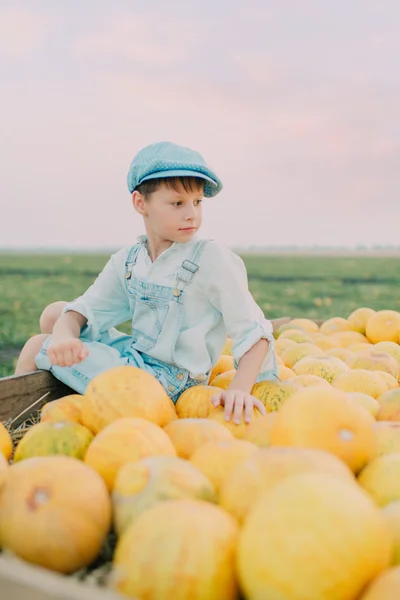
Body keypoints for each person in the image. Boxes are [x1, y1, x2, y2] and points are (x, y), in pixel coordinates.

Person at [15, 141, 278, 424]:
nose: (192, 213)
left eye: (197, 202)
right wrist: (65, 335)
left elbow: (254, 333)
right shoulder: (130, 260)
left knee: (37, 345)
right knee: (56, 315)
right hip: (137, 360)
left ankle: (12, 424)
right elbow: (85, 309)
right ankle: (64, 396)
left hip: (169, 386)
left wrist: (240, 389)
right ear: (141, 203)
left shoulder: (211, 259)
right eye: (178, 203)